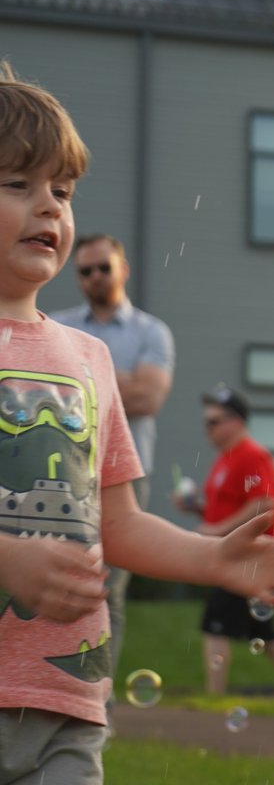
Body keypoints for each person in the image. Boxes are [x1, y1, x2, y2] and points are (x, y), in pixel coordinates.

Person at [0, 63, 274, 785]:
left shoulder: (89, 358)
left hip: (63, 701)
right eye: (18, 184)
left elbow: (119, 521)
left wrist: (212, 553)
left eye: (60, 189)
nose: (50, 208)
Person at [52, 232, 175, 685]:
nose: (95, 277)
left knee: (110, 592)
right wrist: (114, 380)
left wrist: (77, 379)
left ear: (124, 269)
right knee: (53, 583)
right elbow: (132, 390)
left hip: (123, 476)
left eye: (104, 267)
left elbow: (149, 397)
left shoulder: (151, 331)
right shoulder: (59, 324)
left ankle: (98, 691)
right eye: (85, 271)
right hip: (62, 472)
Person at [174, 384, 274, 705]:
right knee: (266, 636)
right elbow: (234, 507)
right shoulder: (226, 460)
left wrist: (215, 529)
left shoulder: (251, 456)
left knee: (218, 628)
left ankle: (216, 697)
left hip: (247, 558)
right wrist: (199, 510)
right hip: (237, 556)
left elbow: (263, 504)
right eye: (206, 422)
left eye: (214, 422)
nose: (207, 429)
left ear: (237, 421)